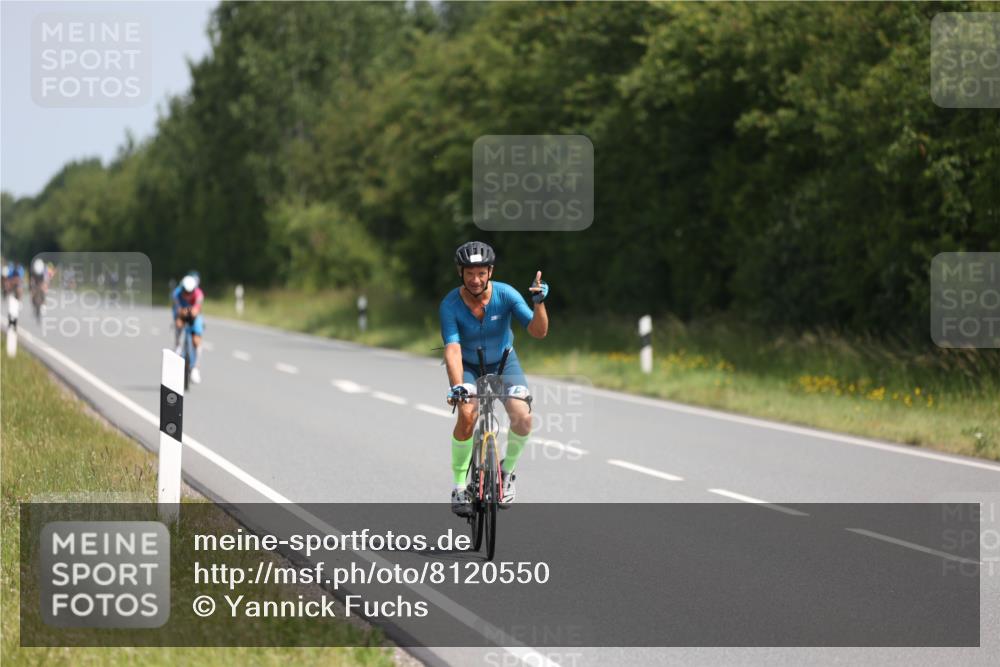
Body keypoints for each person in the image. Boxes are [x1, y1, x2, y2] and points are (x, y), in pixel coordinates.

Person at [440, 241, 549, 516]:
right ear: (460, 273)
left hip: (503, 364)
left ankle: (507, 471)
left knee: (523, 417)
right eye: (469, 273)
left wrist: (539, 304)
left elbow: (538, 331)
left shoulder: (506, 294)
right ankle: (459, 486)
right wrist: (458, 386)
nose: (475, 280)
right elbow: (452, 349)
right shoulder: (450, 304)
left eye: (480, 273)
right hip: (468, 366)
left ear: (490, 271)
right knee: (466, 415)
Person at [172, 274, 205, 383]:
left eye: (189, 292)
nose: (187, 294)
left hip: (194, 315)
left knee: (196, 340)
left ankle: (195, 368)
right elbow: (178, 310)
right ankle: (178, 346)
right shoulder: (176, 294)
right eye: (185, 292)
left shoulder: (199, 294)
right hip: (181, 312)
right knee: (178, 323)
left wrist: (191, 312)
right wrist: (183, 313)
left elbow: (196, 310)